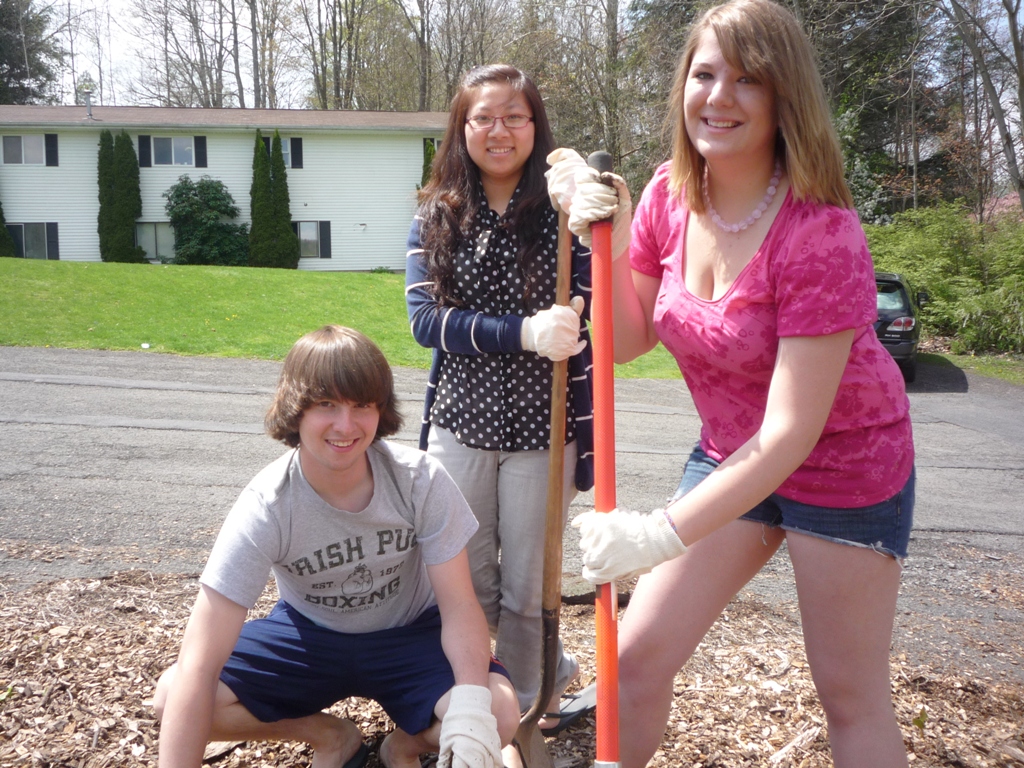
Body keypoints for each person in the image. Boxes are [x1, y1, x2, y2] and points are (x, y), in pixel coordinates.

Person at [548, 1, 915, 766]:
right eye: (705, 73)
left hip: (845, 466)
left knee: (849, 696)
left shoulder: (821, 230)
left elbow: (791, 433)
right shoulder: (666, 196)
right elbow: (626, 338)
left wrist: (657, 535)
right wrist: (600, 237)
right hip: (731, 452)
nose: (719, 96)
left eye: (747, 79)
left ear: (786, 98)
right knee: (636, 659)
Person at [152, 325, 519, 768]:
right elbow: (199, 662)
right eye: (326, 404)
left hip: (410, 631)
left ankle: (403, 746)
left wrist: (471, 708)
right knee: (174, 696)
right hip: (310, 636)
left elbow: (460, 605)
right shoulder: (267, 505)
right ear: (296, 409)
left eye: (362, 405)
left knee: (497, 713)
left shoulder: (420, 479)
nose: (346, 426)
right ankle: (330, 736)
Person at [405, 64, 595, 737]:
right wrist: (524, 332)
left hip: (543, 433)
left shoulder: (565, 215)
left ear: (535, 126)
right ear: (462, 128)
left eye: (515, 116)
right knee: (467, 582)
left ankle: (524, 713)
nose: (499, 130)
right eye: (483, 117)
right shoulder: (437, 213)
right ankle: (482, 692)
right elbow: (426, 322)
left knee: (525, 593)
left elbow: (590, 307)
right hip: (460, 426)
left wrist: (573, 317)